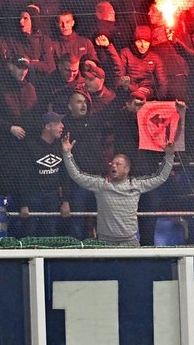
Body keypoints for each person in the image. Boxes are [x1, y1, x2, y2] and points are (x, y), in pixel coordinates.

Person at [59, 101, 183, 246]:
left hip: (129, 242)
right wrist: (67, 153)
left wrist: (169, 156)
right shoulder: (101, 184)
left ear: (127, 169)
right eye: (113, 162)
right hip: (105, 242)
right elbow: (77, 175)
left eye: (119, 164)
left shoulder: (136, 185)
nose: (114, 165)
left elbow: (161, 177)